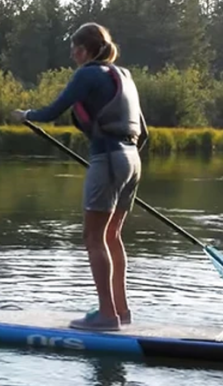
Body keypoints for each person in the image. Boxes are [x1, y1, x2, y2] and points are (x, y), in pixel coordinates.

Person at [11, 22, 148, 331]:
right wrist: (122, 163)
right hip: (132, 160)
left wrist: (26, 115)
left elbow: (52, 110)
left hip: (109, 159)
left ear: (85, 50)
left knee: (93, 237)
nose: (71, 53)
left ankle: (106, 316)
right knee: (112, 236)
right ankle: (121, 311)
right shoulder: (124, 76)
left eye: (74, 47)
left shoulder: (87, 73)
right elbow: (144, 132)